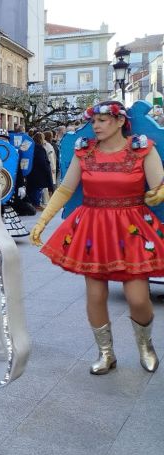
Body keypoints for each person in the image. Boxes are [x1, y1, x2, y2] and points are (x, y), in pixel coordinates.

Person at [32, 102, 164, 375]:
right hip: (94, 228)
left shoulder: (142, 149)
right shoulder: (85, 151)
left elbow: (159, 185)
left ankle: (146, 346)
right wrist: (43, 220)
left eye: (103, 120)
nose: (96, 126)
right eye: (94, 121)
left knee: (138, 298)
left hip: (132, 229)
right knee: (95, 295)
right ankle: (106, 353)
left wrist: (158, 194)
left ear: (120, 121)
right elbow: (65, 189)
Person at [25, 132, 54, 208]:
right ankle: (36, 204)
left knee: (32, 189)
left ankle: (33, 204)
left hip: (30, 172)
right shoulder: (40, 148)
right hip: (39, 173)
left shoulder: (30, 147)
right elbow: (42, 161)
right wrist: (48, 167)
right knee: (37, 189)